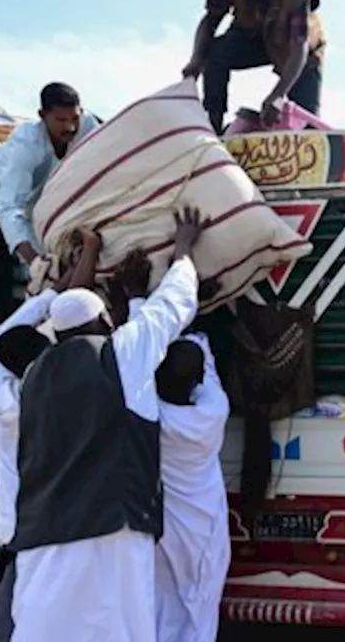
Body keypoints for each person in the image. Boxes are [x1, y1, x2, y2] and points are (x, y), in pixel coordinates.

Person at [6, 208, 206, 642]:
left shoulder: (30, 379)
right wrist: (185, 249)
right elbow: (171, 306)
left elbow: (3, 346)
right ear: (104, 323)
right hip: (111, 531)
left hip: (43, 538)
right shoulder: (120, 354)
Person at [0, 233, 101, 642]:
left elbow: (3, 345)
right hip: (45, 528)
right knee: (33, 618)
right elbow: (73, 326)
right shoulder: (53, 393)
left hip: (21, 526)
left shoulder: (2, 398)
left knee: (14, 613)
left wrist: (49, 296)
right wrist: (88, 259)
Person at [122, 269, 231, 642]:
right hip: (203, 524)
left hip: (160, 520)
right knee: (198, 598)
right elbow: (201, 352)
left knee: (158, 596)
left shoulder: (150, 412)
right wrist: (197, 304)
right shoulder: (214, 409)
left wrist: (138, 297)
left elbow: (139, 358)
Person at [182, 0, 326, 134]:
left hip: (295, 52)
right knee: (213, 53)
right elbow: (210, 20)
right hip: (251, 37)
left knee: (307, 128)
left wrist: (277, 95)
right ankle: (213, 125)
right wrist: (196, 59)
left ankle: (303, 139)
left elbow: (299, 47)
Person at [0, 83, 101, 265]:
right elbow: (11, 207)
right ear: (42, 116)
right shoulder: (25, 147)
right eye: (61, 120)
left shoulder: (88, 126)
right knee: (39, 266)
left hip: (57, 194)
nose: (70, 127)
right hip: (21, 200)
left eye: (74, 118)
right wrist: (35, 263)